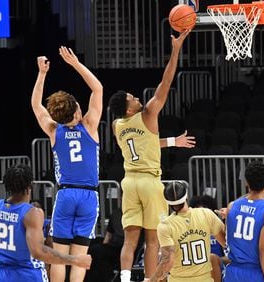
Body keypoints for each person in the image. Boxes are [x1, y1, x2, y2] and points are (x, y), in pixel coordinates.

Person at [108, 29, 192, 282]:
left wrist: (171, 141)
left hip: (129, 182)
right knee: (153, 239)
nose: (137, 98)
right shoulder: (147, 114)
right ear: (128, 107)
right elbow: (165, 83)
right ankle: (150, 281)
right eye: (133, 98)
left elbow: (144, 143)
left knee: (130, 239)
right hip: (149, 181)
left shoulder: (117, 125)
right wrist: (176, 50)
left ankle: (124, 279)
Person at [31, 46, 102, 282]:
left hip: (65, 194)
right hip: (88, 196)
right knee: (79, 257)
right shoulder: (90, 125)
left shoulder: (54, 130)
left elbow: (36, 106)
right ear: (78, 111)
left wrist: (41, 74)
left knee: (60, 256)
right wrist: (74, 64)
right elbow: (97, 88)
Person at [0, 164, 92, 282]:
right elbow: (39, 252)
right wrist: (74, 260)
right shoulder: (32, 213)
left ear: (6, 186)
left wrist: (0, 244)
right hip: (28, 275)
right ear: (30, 186)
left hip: (0, 276)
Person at [150, 181, 226, 282]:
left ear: (167, 201)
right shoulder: (206, 214)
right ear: (186, 195)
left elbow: (168, 262)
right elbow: (226, 243)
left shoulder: (165, 226)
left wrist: (152, 280)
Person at [223, 161, 264, 282]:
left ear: (246, 182)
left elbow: (230, 238)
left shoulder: (231, 206)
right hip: (256, 272)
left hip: (233, 271)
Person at [189, 195, 228, 282]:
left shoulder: (218, 230)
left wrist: (209, 259)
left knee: (211, 258)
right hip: (194, 268)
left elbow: (230, 256)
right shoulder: (188, 231)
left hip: (217, 267)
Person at [84, 208, 124, 282]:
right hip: (112, 245)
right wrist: (103, 246)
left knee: (96, 251)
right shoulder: (116, 213)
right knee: (92, 245)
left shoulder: (132, 214)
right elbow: (108, 234)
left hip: (122, 246)